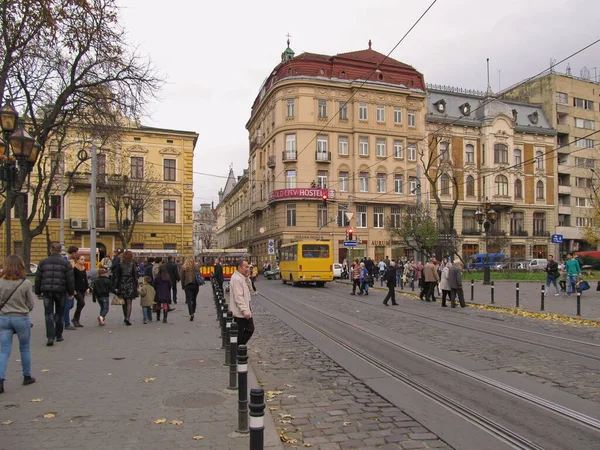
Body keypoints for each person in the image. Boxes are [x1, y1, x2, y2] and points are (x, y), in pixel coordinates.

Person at [0, 255, 36, 394]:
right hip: (21, 318)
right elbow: (31, 304)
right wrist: (24, 308)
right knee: (25, 348)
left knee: (4, 350)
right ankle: (27, 376)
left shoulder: (0, 282)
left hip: (3, 318)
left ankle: (1, 378)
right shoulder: (25, 283)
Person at [35, 242, 75, 346]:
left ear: (50, 250)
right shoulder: (66, 263)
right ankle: (59, 335)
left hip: (47, 291)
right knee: (59, 313)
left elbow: (38, 278)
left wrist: (38, 292)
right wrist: (71, 292)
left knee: (48, 314)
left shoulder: (43, 262)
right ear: (60, 251)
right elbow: (70, 280)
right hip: (61, 291)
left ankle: (50, 337)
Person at [230, 258, 254, 345]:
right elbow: (238, 297)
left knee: (240, 332)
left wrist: (247, 277)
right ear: (239, 267)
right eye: (245, 267)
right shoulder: (236, 279)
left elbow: (250, 289)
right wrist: (246, 311)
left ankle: (238, 348)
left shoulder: (242, 277)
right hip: (240, 312)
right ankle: (238, 348)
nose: (247, 269)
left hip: (242, 311)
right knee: (250, 329)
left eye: (248, 266)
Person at [112, 250, 139, 326]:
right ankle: (128, 318)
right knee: (129, 302)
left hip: (122, 283)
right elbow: (135, 276)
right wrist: (136, 285)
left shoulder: (120, 265)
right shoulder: (132, 264)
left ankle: (125, 317)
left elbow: (117, 276)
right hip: (130, 282)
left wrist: (116, 286)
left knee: (123, 301)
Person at [63, 245, 79, 331]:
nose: (77, 254)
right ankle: (66, 323)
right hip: (66, 287)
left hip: (70, 286)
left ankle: (60, 317)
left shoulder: (72, 261)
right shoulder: (65, 261)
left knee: (70, 305)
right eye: (76, 253)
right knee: (67, 305)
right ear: (73, 253)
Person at [71, 253, 89, 327]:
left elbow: (85, 278)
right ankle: (75, 318)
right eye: (81, 259)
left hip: (83, 288)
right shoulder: (74, 269)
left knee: (79, 304)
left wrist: (87, 287)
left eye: (83, 259)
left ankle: (76, 320)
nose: (83, 261)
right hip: (77, 288)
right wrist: (73, 289)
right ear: (77, 260)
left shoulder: (83, 268)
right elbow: (73, 280)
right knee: (82, 303)